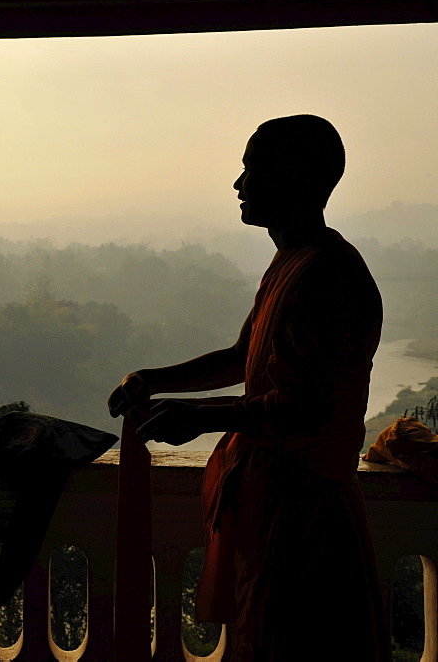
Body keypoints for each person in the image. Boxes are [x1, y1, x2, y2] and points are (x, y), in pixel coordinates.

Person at [107, 115, 389, 660]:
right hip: (272, 510)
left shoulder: (329, 276)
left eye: (252, 168)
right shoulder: (292, 261)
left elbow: (308, 410)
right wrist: (155, 379)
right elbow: (244, 357)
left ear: (299, 177)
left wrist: (203, 417)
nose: (239, 184)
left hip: (307, 521)